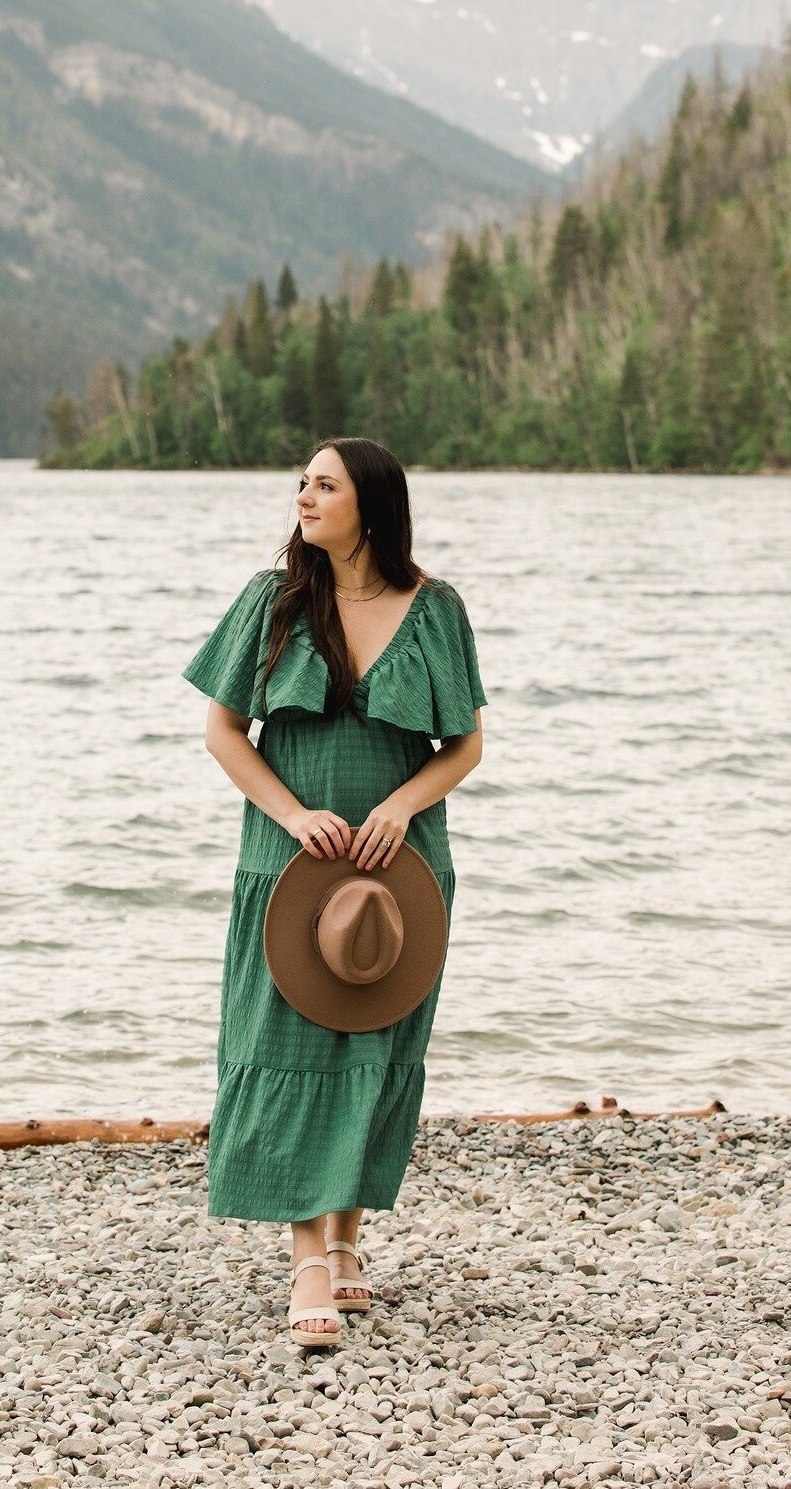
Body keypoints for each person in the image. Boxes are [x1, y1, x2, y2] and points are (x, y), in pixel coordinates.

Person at [181, 435, 487, 1347]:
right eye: (301, 484)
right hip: (291, 860)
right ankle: (307, 1258)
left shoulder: (435, 609)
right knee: (286, 1039)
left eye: (324, 485)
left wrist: (399, 805)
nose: (303, 498)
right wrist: (290, 814)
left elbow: (464, 747)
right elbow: (223, 733)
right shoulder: (271, 601)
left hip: (401, 863)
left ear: (370, 504)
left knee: (373, 1040)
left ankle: (348, 1239)